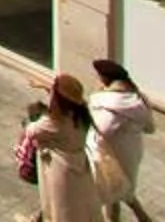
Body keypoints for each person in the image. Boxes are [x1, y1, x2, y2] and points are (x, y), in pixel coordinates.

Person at [23, 78, 104, 222]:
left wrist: (34, 114)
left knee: (60, 208)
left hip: (60, 170)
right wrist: (45, 87)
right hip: (79, 165)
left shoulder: (54, 123)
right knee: (80, 205)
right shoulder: (80, 114)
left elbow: (31, 130)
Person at [86, 59, 154, 221]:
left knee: (114, 190)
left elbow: (102, 130)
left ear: (105, 79)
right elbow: (150, 128)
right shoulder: (138, 98)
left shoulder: (110, 104)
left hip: (113, 154)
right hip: (132, 151)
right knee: (120, 192)